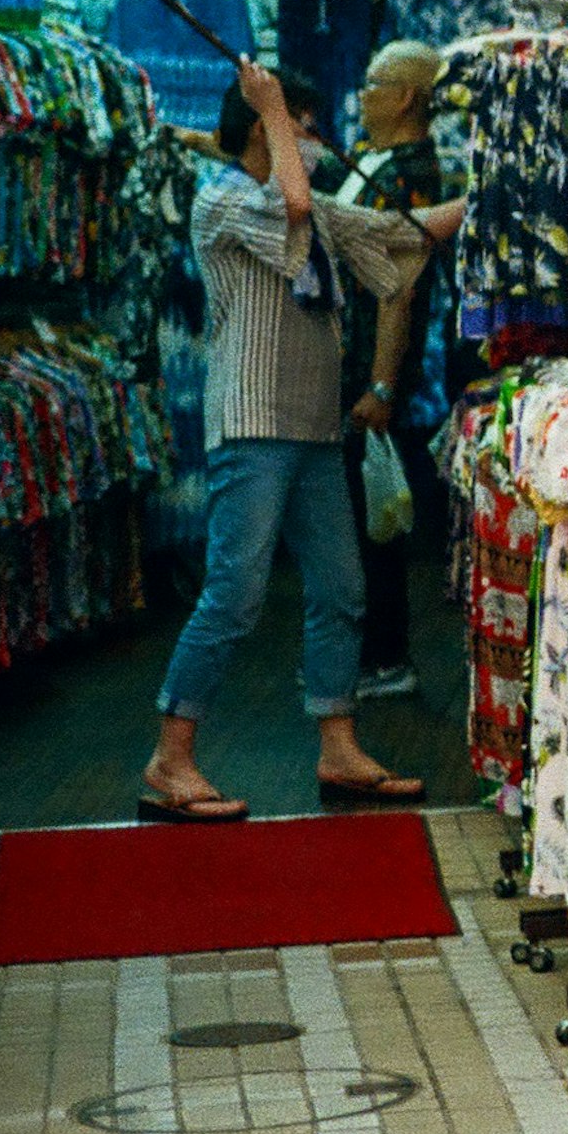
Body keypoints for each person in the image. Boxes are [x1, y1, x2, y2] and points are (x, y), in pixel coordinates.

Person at [141, 61, 467, 821]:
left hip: (316, 427)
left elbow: (402, 234)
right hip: (253, 425)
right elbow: (290, 202)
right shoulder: (222, 200)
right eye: (305, 129)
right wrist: (274, 104)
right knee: (235, 594)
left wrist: (492, 198)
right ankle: (170, 757)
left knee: (342, 590)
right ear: (267, 129)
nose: (321, 143)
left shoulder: (315, 206)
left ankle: (339, 746)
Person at [338, 41, 455, 703]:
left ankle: (386, 655)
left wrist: (382, 383)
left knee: (373, 517)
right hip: (349, 365)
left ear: (405, 96)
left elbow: (397, 285)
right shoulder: (372, 159)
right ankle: (364, 652)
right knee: (357, 514)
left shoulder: (410, 171)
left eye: (373, 81)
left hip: (369, 374)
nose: (361, 93)